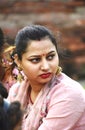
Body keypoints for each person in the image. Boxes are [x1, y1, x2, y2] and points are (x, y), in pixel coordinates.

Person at [7, 25, 85, 130]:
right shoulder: (16, 92)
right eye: (35, 59)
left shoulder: (69, 94)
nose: (46, 66)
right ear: (18, 61)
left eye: (50, 57)